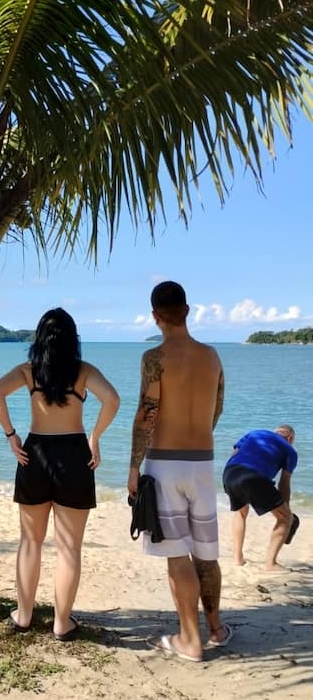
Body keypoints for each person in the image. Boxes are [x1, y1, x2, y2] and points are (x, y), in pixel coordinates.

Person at [0, 308, 120, 640]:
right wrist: (95, 437)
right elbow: (112, 400)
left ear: (40, 339)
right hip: (74, 455)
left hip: (35, 455)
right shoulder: (84, 371)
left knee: (30, 541)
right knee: (69, 548)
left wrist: (11, 435)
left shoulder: (28, 371)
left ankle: (23, 616)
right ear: (73, 339)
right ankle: (62, 623)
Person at [128, 281, 231, 663]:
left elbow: (147, 413)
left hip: (164, 463)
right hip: (202, 462)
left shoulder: (154, 358)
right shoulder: (212, 356)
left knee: (177, 554)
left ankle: (189, 640)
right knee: (205, 554)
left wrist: (133, 466)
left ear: (155, 316)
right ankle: (216, 628)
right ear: (187, 311)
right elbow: (217, 407)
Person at [223, 425, 298, 571]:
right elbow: (284, 483)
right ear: (290, 438)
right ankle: (270, 564)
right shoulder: (290, 451)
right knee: (285, 518)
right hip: (253, 477)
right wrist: (286, 510)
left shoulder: (255, 433)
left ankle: (238, 559)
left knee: (240, 512)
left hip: (230, 473)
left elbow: (235, 454)